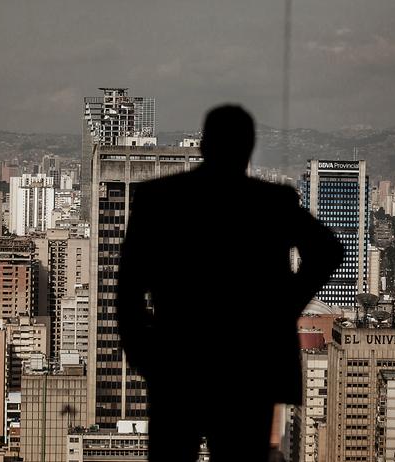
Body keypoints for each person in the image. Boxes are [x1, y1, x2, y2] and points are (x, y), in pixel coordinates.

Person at [116, 104, 343, 461]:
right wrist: (281, 311)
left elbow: (127, 289)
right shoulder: (272, 202)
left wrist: (146, 353)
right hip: (248, 367)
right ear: (249, 148)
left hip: (178, 362)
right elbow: (328, 252)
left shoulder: (158, 200)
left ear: (205, 146)